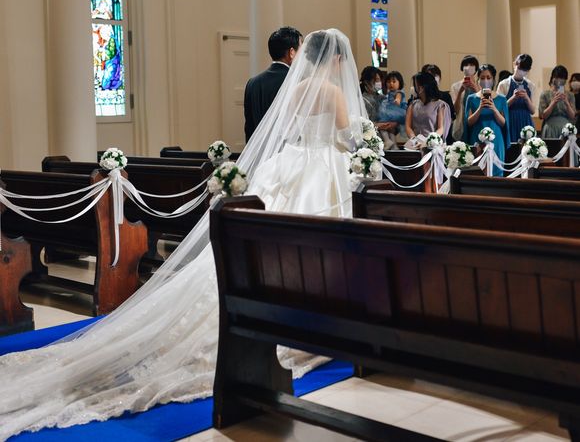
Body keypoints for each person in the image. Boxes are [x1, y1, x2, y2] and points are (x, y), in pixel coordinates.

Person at [0, 29, 368, 439]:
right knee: (316, 244)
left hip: (289, 165)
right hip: (321, 169)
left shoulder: (296, 88)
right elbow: (344, 136)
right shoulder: (333, 92)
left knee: (272, 244)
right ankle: (312, 317)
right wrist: (364, 141)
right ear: (336, 59)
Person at [243, 26, 302, 141]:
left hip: (259, 151)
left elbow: (249, 129)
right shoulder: (297, 82)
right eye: (301, 50)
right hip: (287, 150)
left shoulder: (252, 83)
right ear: (291, 53)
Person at [464, 64, 509, 176]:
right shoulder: (471, 98)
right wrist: (480, 108)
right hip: (477, 139)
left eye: (488, 77)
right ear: (478, 80)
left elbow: (504, 123)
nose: (485, 80)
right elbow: (468, 122)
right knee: (478, 173)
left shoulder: (501, 99)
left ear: (493, 80)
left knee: (496, 173)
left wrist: (494, 109)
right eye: (482, 78)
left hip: (496, 140)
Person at [496, 53, 536, 144]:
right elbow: (499, 108)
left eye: (524, 70)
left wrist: (526, 98)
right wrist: (513, 98)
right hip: (510, 121)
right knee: (511, 149)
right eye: (520, 68)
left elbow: (533, 111)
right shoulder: (504, 84)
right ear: (514, 64)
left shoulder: (530, 85)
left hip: (526, 121)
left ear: (528, 70)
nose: (521, 71)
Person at [405, 72, 451, 142]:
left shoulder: (440, 105)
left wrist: (429, 141)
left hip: (433, 143)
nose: (415, 88)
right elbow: (408, 127)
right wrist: (414, 140)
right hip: (415, 143)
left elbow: (441, 129)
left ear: (422, 87)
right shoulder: (413, 104)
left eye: (416, 85)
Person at [359, 66, 398, 149]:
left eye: (379, 80)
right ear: (366, 81)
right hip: (369, 141)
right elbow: (359, 123)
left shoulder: (383, 98)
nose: (378, 83)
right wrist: (378, 125)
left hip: (388, 139)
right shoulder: (361, 99)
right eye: (376, 80)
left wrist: (393, 123)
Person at [421, 63, 456, 144]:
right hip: (423, 137)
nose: (433, 78)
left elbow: (451, 117)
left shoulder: (445, 96)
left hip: (443, 138)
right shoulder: (419, 99)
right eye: (430, 76)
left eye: (435, 75)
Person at [539, 65, 576, 138]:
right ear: (553, 78)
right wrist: (553, 102)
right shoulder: (545, 94)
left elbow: (572, 116)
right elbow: (542, 115)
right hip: (550, 128)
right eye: (557, 77)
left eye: (563, 78)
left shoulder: (570, 95)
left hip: (566, 128)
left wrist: (567, 103)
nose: (560, 80)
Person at [449, 55, 480, 141]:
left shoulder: (480, 85)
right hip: (461, 124)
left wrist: (476, 89)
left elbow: (484, 103)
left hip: (477, 122)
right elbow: (455, 110)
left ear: (476, 68)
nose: (468, 67)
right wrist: (460, 91)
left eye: (472, 65)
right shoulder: (455, 86)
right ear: (462, 68)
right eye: (466, 65)